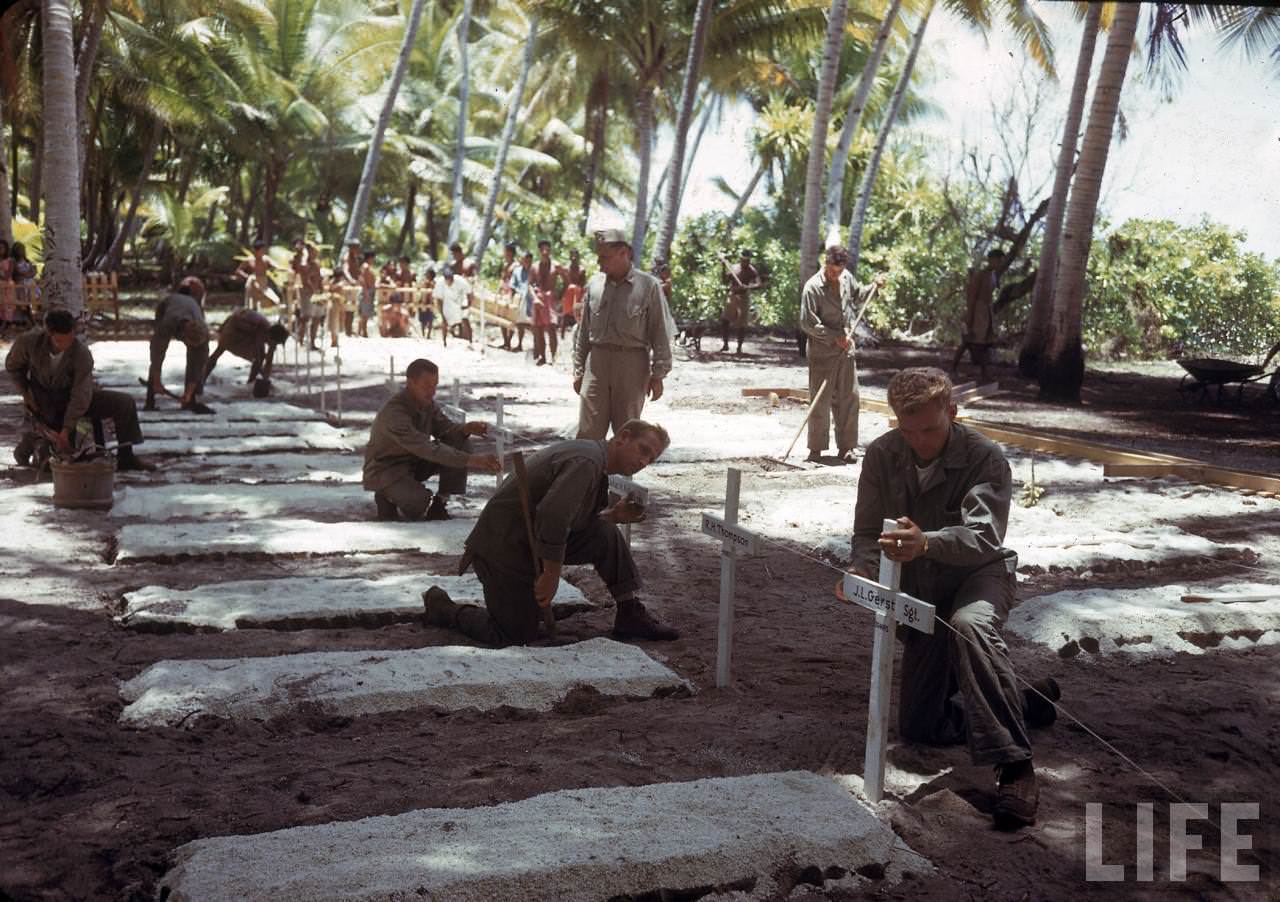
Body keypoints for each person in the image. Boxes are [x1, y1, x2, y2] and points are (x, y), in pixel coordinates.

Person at [845, 367, 1057, 830]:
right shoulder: (882, 454)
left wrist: (927, 543)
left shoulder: (986, 456)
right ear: (895, 420)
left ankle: (1016, 766)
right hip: (922, 587)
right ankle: (1020, 702)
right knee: (921, 727)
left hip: (979, 575)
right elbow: (866, 532)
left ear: (953, 412)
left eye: (931, 429)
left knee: (971, 627)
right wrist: (861, 569)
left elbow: (984, 537)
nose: (920, 441)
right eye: (910, 430)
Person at [423, 418, 679, 645]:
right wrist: (551, 573)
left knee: (605, 533)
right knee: (514, 634)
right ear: (623, 437)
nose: (644, 462)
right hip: (502, 547)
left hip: (530, 538)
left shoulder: (596, 460)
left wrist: (615, 516)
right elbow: (552, 515)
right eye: (642, 450)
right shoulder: (587, 460)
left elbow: (571, 517)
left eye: (651, 459)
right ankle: (444, 609)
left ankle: (630, 613)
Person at [6, 309, 153, 471]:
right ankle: (28, 445)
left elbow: (80, 395)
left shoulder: (81, 354)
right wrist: (26, 394)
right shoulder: (29, 342)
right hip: (44, 400)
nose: (65, 346)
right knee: (54, 460)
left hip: (72, 397)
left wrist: (66, 429)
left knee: (124, 403)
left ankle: (126, 457)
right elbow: (13, 367)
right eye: (59, 341)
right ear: (49, 333)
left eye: (69, 340)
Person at [362, 358, 501, 521]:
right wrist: (475, 461)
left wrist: (466, 429)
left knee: (461, 442)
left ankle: (441, 502)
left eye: (435, 386)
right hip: (386, 470)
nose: (432, 392)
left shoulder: (427, 404)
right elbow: (426, 447)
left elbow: (447, 431)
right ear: (411, 383)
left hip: (415, 463)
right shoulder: (395, 413)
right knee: (418, 504)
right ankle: (385, 495)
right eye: (427, 386)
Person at [572, 228, 673, 440]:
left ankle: (621, 475)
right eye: (598, 257)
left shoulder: (648, 286)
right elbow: (583, 332)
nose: (600, 263)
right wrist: (579, 369)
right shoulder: (595, 285)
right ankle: (588, 473)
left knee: (627, 434)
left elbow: (660, 331)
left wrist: (658, 374)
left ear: (624, 253)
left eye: (605, 257)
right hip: (597, 364)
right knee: (588, 434)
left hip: (632, 365)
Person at [798, 244, 883, 464]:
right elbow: (807, 323)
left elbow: (858, 295)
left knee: (849, 399)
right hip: (822, 351)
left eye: (840, 270)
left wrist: (874, 287)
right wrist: (834, 336)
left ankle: (846, 448)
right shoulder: (813, 287)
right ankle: (816, 450)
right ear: (825, 262)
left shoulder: (846, 278)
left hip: (845, 349)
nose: (836, 274)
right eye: (832, 270)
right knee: (820, 401)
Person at [147, 277, 212, 413]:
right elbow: (157, 352)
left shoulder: (204, 334)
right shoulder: (168, 322)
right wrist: (157, 381)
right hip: (166, 307)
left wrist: (188, 393)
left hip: (192, 308)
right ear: (182, 336)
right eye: (189, 343)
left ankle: (190, 400)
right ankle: (150, 399)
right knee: (157, 354)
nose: (191, 347)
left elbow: (198, 364)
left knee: (196, 359)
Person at [204, 308, 290, 395]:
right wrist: (265, 378)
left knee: (218, 353)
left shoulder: (265, 328)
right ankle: (250, 383)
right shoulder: (262, 328)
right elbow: (260, 357)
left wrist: (265, 376)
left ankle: (202, 379)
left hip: (232, 325)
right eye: (275, 344)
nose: (274, 346)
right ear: (273, 339)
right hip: (234, 330)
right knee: (258, 358)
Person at [952, 248, 1005, 381]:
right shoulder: (980, 275)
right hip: (978, 311)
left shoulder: (993, 275)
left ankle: (981, 370)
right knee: (975, 341)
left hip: (987, 310)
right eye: (998, 260)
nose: (1000, 264)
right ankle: (982, 371)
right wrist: (970, 315)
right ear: (991, 260)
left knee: (981, 341)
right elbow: (972, 296)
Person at [720, 249, 762, 354]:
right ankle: (725, 345)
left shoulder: (752, 270)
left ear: (749, 260)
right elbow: (725, 281)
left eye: (746, 260)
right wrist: (724, 266)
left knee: (742, 324)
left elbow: (759, 284)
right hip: (732, 296)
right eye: (743, 260)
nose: (744, 262)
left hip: (744, 297)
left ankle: (739, 347)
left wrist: (748, 286)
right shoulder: (734, 267)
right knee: (725, 320)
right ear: (740, 259)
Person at [532, 238, 564, 365]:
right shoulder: (534, 267)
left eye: (547, 249)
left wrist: (560, 296)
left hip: (551, 298)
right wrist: (534, 297)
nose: (545, 251)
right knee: (538, 329)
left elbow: (566, 280)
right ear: (539, 251)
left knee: (551, 328)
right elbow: (529, 284)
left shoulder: (556, 265)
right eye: (542, 249)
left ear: (550, 250)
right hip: (539, 298)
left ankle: (554, 356)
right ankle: (542, 357)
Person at [234, 240, 280, 311]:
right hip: (252, 282)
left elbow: (277, 266)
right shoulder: (249, 259)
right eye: (261, 250)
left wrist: (287, 269)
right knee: (251, 305)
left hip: (263, 283)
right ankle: (251, 317)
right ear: (256, 250)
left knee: (276, 300)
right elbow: (238, 270)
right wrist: (246, 276)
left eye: (263, 250)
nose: (263, 252)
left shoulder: (266, 259)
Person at [297, 241, 325, 350]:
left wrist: (321, 292)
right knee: (305, 317)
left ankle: (312, 342)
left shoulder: (316, 264)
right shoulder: (304, 264)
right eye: (312, 251)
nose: (314, 254)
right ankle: (300, 342)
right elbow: (305, 279)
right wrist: (313, 290)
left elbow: (319, 279)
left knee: (317, 317)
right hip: (307, 293)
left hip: (317, 293)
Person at [436, 266, 473, 346]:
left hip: (461, 300)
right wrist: (441, 312)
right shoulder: (440, 283)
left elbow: (469, 292)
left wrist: (469, 304)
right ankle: (444, 342)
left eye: (450, 278)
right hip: (448, 302)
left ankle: (470, 342)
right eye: (447, 279)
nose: (449, 281)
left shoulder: (461, 281)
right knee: (445, 321)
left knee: (465, 320)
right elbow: (438, 299)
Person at [560, 248, 586, 340]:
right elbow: (564, 284)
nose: (574, 257)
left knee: (578, 313)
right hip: (568, 293)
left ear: (578, 257)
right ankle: (562, 336)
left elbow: (583, 284)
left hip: (578, 293)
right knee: (566, 314)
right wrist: (561, 296)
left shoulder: (582, 270)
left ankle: (579, 335)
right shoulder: (566, 269)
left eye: (576, 255)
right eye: (572, 255)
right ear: (569, 257)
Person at [357, 250, 377, 338]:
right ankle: (362, 332)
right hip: (367, 290)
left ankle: (362, 331)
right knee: (364, 313)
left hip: (370, 290)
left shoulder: (369, 267)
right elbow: (362, 279)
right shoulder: (365, 266)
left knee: (366, 313)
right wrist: (365, 292)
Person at [417, 267, 437, 339]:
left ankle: (428, 334)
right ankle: (423, 334)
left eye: (428, 274)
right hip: (422, 301)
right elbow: (418, 287)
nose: (427, 275)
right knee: (423, 319)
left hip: (431, 302)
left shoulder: (434, 282)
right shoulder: (423, 281)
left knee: (430, 319)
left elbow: (434, 289)